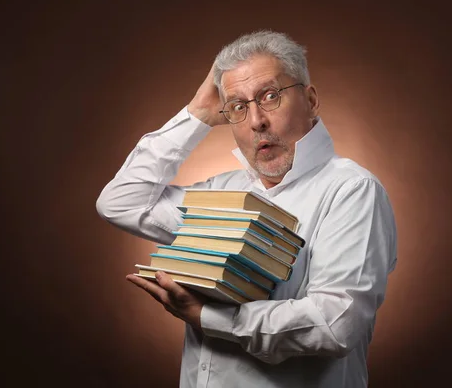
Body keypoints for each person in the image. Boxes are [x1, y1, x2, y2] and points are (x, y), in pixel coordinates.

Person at [96, 30, 397, 388]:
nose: (256, 121)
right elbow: (120, 201)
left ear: (311, 100)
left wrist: (209, 317)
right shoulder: (220, 192)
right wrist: (198, 115)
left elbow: (334, 325)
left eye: (270, 96)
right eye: (238, 107)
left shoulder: (352, 190)